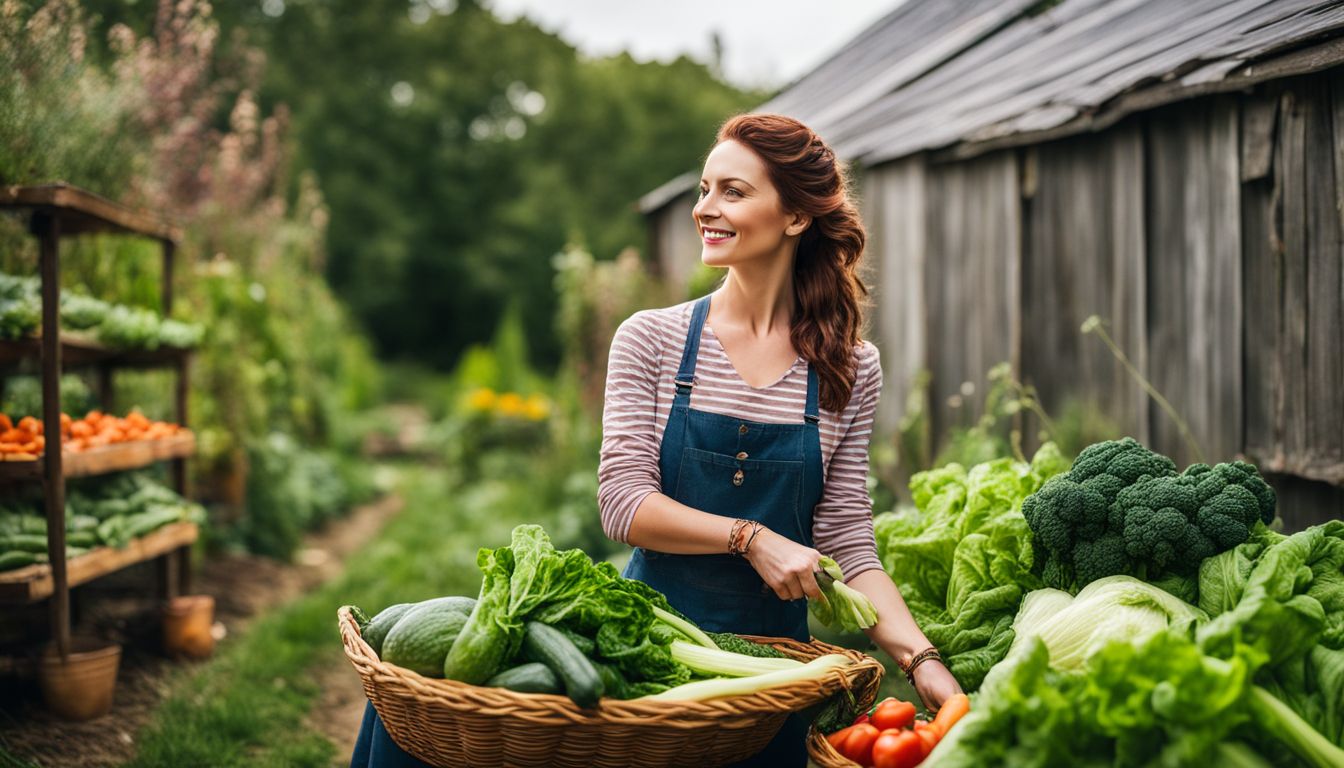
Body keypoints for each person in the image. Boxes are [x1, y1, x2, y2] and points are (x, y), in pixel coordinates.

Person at [597, 113, 962, 766]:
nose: (704, 209)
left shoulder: (848, 366)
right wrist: (750, 536)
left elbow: (847, 540)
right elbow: (623, 503)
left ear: (795, 217)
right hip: (649, 661)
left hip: (776, 681)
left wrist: (923, 660)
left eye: (732, 192)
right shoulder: (652, 340)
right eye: (705, 190)